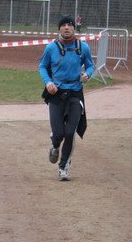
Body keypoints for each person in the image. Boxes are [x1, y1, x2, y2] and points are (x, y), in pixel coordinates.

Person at [38, 15, 95, 181]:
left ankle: (63, 167)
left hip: (75, 93)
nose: (66, 28)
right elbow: (42, 66)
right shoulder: (51, 48)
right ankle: (55, 145)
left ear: (74, 29)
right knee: (59, 133)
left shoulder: (83, 47)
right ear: (59, 29)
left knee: (70, 132)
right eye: (63, 25)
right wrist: (48, 82)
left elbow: (90, 65)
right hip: (56, 94)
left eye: (69, 25)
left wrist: (87, 74)